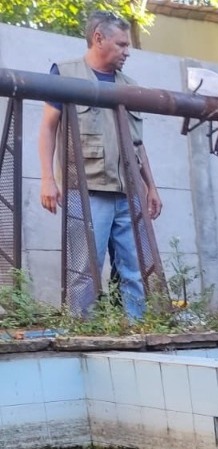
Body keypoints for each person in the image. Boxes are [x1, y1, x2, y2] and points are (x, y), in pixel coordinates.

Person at [37, 10, 162, 321]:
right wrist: (47, 179)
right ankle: (83, 329)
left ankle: (134, 327)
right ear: (98, 38)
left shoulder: (129, 85)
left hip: (128, 190)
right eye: (121, 44)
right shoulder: (65, 74)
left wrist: (151, 186)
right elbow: (48, 128)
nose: (127, 52)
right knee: (84, 266)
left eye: (127, 45)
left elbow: (137, 142)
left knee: (133, 266)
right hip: (87, 188)